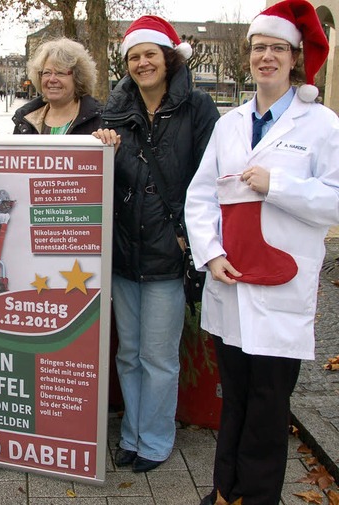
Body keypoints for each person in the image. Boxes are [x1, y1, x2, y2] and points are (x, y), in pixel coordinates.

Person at [184, 1, 339, 503]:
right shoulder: (229, 124)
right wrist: (209, 255)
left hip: (282, 291)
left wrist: (279, 185)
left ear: (294, 58)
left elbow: (335, 201)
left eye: (276, 48)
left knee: (269, 406)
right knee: (236, 400)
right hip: (231, 282)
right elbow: (201, 194)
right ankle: (223, 492)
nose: (265, 57)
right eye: (258, 48)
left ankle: (257, 497)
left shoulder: (321, 125)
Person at [93, 16, 219, 473]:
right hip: (126, 251)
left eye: (149, 54)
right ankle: (131, 434)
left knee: (159, 355)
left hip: (170, 251)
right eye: (133, 56)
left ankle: (156, 439)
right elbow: (104, 182)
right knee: (129, 352)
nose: (142, 62)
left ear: (168, 57)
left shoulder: (198, 107)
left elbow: (209, 179)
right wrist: (102, 148)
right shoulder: (113, 113)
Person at [13, 37, 102, 135]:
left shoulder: (100, 121)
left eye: (60, 73)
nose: (52, 79)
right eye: (47, 73)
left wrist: (110, 146)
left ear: (77, 77)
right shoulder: (25, 121)